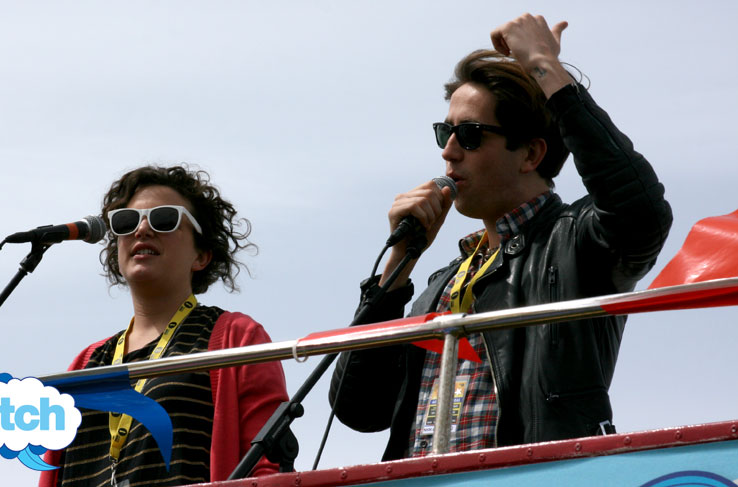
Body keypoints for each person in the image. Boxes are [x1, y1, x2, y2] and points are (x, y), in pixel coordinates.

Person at [329, 14, 673, 461]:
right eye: (445, 131)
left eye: (469, 135)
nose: (448, 151)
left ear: (530, 153)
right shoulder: (442, 280)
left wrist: (545, 66)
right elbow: (359, 409)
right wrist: (399, 263)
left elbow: (640, 210)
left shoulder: (575, 242)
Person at [39, 165, 289, 486]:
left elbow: (267, 469)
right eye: (127, 223)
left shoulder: (236, 338)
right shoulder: (87, 361)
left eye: (165, 219)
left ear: (201, 255)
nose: (142, 230)